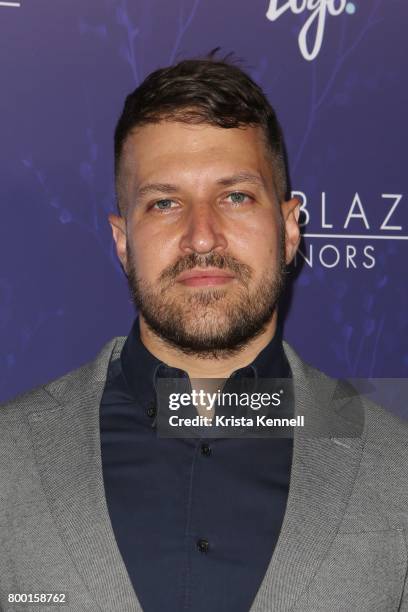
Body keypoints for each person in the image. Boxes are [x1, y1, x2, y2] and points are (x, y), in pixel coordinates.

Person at [1, 51, 408, 612]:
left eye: (236, 196)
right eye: (165, 202)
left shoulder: (396, 468)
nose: (201, 236)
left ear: (290, 229)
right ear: (122, 241)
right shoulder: (9, 458)